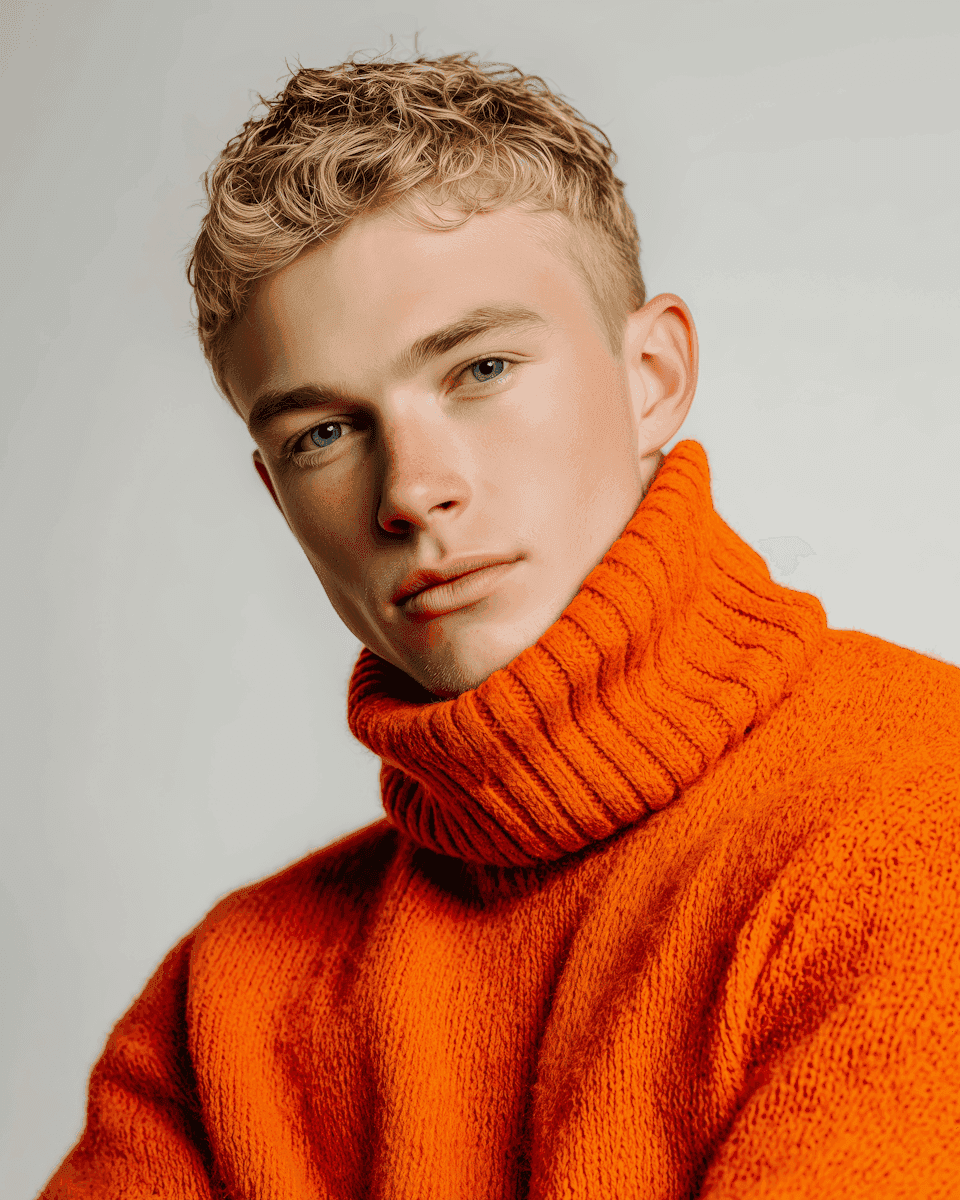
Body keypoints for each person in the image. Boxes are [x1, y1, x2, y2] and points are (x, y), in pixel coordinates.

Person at [40, 52, 960, 1199]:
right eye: (323, 433)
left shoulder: (920, 818)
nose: (412, 490)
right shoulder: (222, 1001)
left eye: (480, 368)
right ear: (276, 495)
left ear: (655, 376)